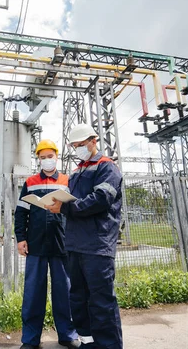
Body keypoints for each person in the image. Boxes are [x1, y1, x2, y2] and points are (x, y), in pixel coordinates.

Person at [45, 124, 123, 349]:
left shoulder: (106, 167)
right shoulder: (78, 171)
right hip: (75, 243)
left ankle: (109, 346)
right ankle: (87, 342)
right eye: (74, 146)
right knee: (78, 298)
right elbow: (73, 200)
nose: (78, 149)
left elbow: (100, 199)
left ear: (93, 141)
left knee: (101, 300)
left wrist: (66, 208)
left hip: (97, 244)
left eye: (80, 145)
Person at [14, 139, 80, 349]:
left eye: (50, 156)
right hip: (36, 244)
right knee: (33, 293)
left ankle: (68, 335)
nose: (46, 161)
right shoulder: (30, 182)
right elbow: (21, 212)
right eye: (42, 157)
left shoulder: (67, 180)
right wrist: (21, 238)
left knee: (65, 291)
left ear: (56, 157)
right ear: (38, 159)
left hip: (62, 244)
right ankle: (30, 339)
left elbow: (75, 211)